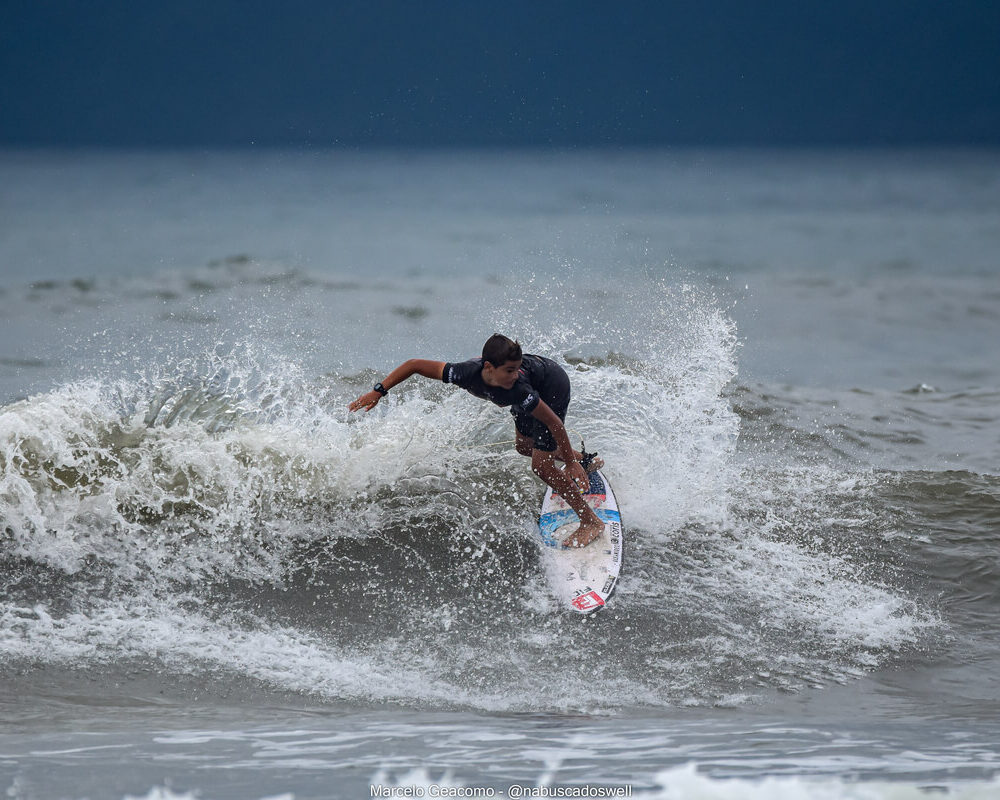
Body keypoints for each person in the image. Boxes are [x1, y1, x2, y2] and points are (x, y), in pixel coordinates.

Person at [348, 334, 606, 547]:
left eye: (517, 369)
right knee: (524, 447)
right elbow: (414, 364)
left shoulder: (518, 388)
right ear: (488, 368)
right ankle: (586, 461)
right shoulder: (463, 373)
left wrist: (568, 463)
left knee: (542, 465)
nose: (514, 375)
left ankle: (590, 521)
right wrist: (378, 390)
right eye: (509, 370)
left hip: (551, 386)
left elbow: (554, 423)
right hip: (530, 388)